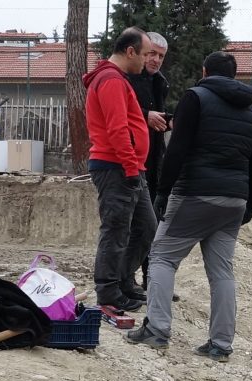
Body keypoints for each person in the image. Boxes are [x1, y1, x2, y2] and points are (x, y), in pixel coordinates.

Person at [126, 51, 252, 362]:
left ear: (204, 71)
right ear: (234, 74)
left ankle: (157, 330)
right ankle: (220, 344)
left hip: (195, 194)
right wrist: (250, 206)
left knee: (161, 256)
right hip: (234, 201)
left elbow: (177, 149)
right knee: (221, 272)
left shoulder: (196, 97)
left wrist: (162, 191)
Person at [84, 27, 157, 312]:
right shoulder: (111, 80)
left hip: (129, 167)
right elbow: (117, 129)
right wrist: (129, 167)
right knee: (116, 229)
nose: (147, 60)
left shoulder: (117, 80)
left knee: (145, 227)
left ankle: (124, 280)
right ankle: (108, 292)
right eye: (145, 54)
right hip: (117, 167)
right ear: (130, 52)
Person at [128, 31, 171, 294]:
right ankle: (126, 278)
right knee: (135, 225)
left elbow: (158, 118)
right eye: (152, 53)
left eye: (161, 56)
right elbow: (121, 112)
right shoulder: (128, 80)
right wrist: (145, 115)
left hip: (155, 159)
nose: (155, 60)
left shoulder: (160, 83)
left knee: (153, 222)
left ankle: (150, 278)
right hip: (131, 160)